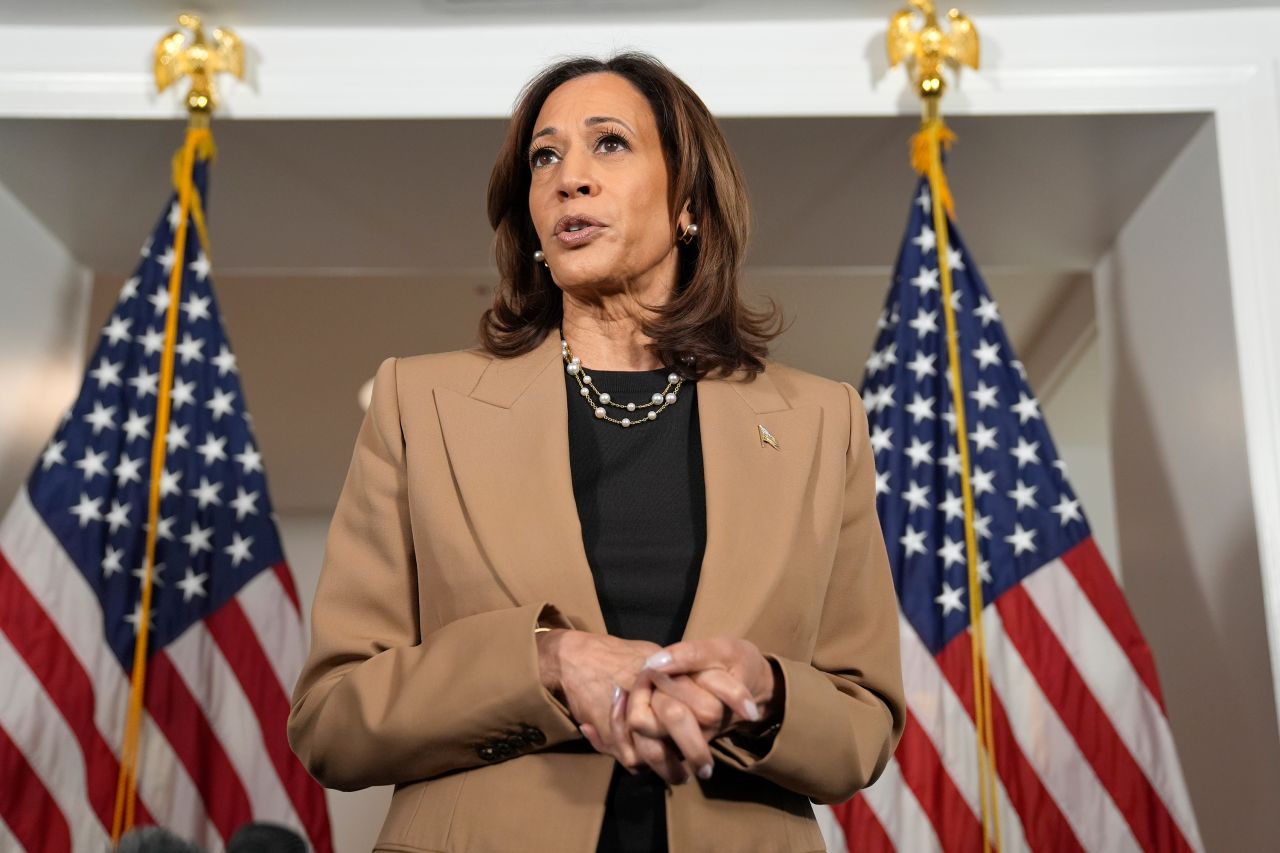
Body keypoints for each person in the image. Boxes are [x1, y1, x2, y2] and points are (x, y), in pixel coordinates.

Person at [287, 52, 905, 853]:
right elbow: (332, 720)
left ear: (688, 199)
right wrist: (543, 663)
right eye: (545, 156)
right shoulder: (419, 403)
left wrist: (766, 691)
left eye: (608, 143)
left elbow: (864, 722)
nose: (568, 178)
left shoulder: (823, 419)